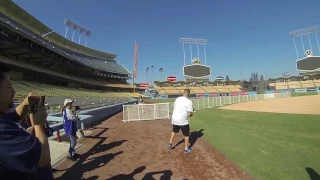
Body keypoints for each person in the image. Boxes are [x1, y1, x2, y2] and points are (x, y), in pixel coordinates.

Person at [0, 64, 53, 179]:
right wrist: (39, 125)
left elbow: (15, 115)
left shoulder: (2, 116)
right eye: (9, 87)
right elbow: (43, 157)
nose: (14, 91)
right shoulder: (2, 131)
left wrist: (26, 103)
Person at [168, 89, 193, 153]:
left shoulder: (178, 99)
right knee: (186, 135)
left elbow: (175, 107)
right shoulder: (189, 101)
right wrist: (191, 113)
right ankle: (186, 149)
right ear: (188, 94)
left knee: (174, 131)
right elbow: (189, 114)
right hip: (182, 121)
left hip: (175, 119)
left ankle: (170, 143)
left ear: (183, 93)